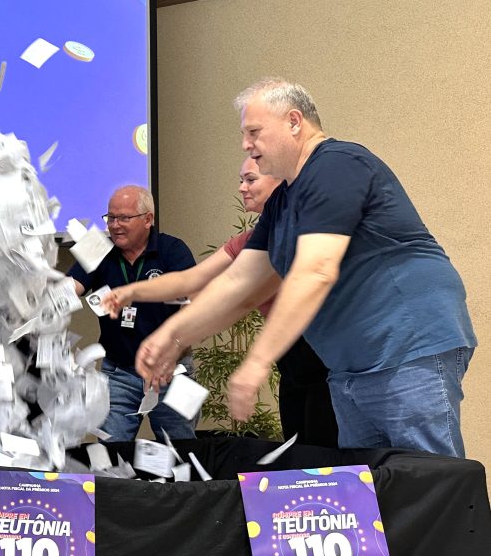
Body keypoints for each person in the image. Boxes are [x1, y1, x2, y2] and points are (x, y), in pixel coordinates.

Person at [136, 78, 476, 457]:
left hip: (407, 351)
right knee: (367, 484)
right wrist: (174, 336)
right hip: (349, 370)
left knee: (428, 480)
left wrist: (257, 362)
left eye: (254, 132)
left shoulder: (337, 164)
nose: (245, 144)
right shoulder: (281, 201)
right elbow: (239, 285)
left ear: (294, 122)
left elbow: (316, 271)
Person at [102, 158, 338, 447]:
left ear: (279, 182)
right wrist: (132, 293)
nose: (241, 188)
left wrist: (254, 363)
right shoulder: (250, 240)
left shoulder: (303, 233)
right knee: (300, 450)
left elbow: (242, 298)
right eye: (241, 180)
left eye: (250, 179)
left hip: (329, 357)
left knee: (330, 451)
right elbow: (192, 281)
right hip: (292, 362)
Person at [68, 185, 197, 443]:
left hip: (171, 368)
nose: (115, 225)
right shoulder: (97, 247)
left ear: (148, 219)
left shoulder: (173, 250)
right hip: (119, 372)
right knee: (111, 450)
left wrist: (173, 351)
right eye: (111, 218)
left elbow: (193, 308)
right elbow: (68, 289)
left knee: (181, 449)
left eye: (124, 218)